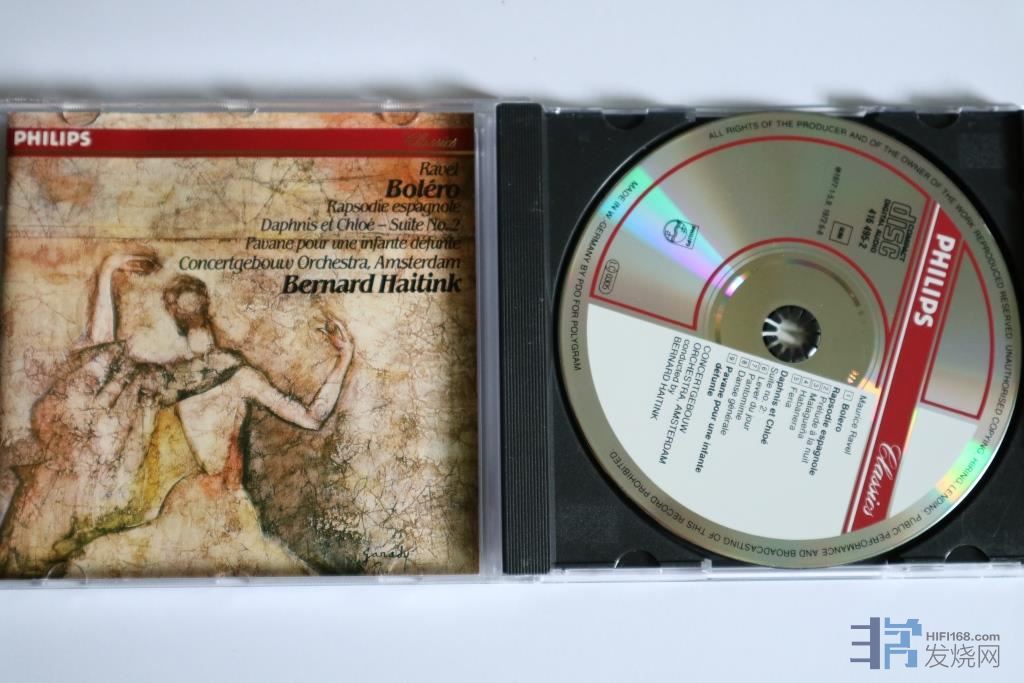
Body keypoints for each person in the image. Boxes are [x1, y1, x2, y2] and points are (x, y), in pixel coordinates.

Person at [68, 274, 354, 577]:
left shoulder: (167, 382)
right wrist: (344, 357)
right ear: (207, 310)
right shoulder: (238, 376)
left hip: (190, 501)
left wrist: (108, 272)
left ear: (175, 317)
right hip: (219, 505)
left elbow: (101, 357)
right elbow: (312, 418)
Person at [0, 255, 242, 577]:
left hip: (90, 496)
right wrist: (109, 270)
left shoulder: (138, 382)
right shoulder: (120, 377)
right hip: (76, 494)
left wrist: (110, 271)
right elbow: (101, 344)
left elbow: (205, 365)